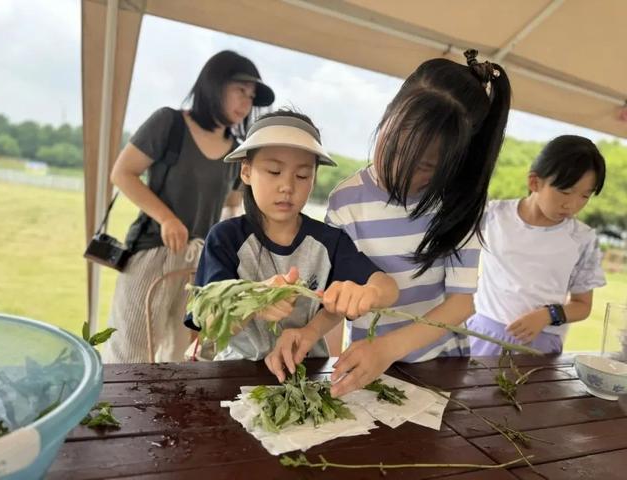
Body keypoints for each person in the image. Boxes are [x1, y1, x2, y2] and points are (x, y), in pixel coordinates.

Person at [266, 49, 512, 396]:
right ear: (386, 117)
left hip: (438, 366)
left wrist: (387, 349)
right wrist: (309, 333)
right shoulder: (346, 201)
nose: (399, 170)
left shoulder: (458, 205)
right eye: (393, 146)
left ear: (453, 164)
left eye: (425, 166)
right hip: (367, 365)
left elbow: (461, 303)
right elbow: (342, 296)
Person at [185, 109, 398, 364]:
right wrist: (255, 300)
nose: (287, 186)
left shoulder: (329, 242)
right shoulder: (225, 238)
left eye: (302, 175)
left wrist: (369, 294)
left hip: (305, 371)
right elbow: (208, 323)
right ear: (246, 172)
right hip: (236, 371)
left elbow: (388, 288)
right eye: (274, 171)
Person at [103, 50, 275, 363]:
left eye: (251, 97)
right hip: (153, 252)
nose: (246, 103)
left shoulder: (237, 152)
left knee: (184, 356)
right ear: (214, 85)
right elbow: (122, 173)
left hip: (200, 266)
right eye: (240, 91)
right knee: (131, 352)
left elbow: (231, 206)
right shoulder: (169, 123)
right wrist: (167, 218)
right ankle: (118, 413)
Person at [467, 135, 607, 355]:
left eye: (585, 196)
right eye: (566, 191)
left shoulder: (582, 239)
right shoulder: (493, 216)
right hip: (482, 335)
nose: (572, 205)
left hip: (539, 346)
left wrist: (547, 315)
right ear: (535, 182)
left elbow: (582, 305)